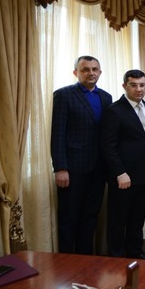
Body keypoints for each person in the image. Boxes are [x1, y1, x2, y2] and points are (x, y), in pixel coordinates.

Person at [51, 55, 113, 254]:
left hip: (99, 169)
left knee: (90, 217)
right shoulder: (64, 95)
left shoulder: (106, 97)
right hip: (73, 169)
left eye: (94, 69)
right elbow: (57, 134)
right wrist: (60, 168)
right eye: (85, 69)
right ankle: (67, 261)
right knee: (69, 218)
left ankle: (86, 259)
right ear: (76, 73)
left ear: (100, 72)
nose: (91, 73)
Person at [101, 69, 145, 260]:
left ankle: (135, 251)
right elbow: (108, 146)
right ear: (124, 86)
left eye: (142, 85)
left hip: (143, 173)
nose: (139, 89)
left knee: (137, 216)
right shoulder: (114, 110)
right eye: (133, 85)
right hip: (123, 176)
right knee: (118, 218)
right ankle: (116, 256)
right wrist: (119, 173)